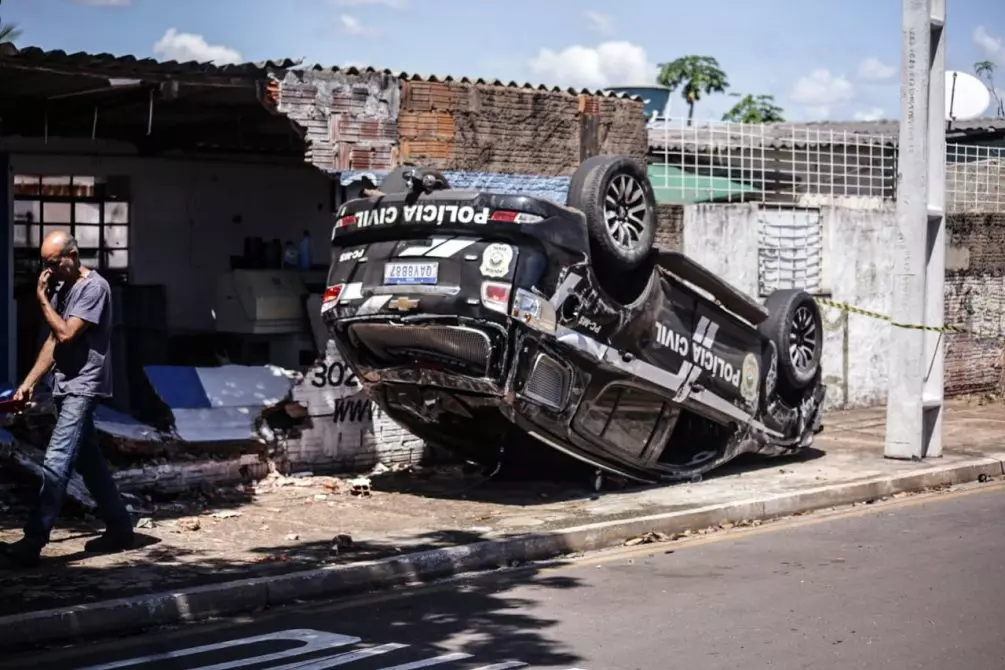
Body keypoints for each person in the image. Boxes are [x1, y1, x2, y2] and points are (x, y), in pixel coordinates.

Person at [0, 231, 134, 569]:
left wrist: (41, 299)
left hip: (84, 386)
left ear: (72, 255)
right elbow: (52, 343)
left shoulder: (95, 288)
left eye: (53, 263)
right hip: (64, 383)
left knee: (57, 461)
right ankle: (120, 527)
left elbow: (66, 332)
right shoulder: (62, 288)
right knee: (89, 461)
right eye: (44, 264)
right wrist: (29, 383)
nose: (48, 270)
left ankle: (33, 541)